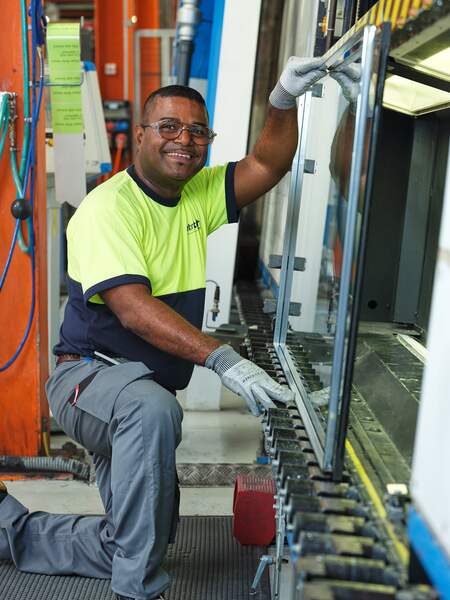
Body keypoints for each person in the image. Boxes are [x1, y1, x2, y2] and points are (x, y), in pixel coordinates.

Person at [0, 56, 326, 600]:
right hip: (88, 381)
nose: (184, 140)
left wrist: (283, 99)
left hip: (139, 388)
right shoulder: (108, 209)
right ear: (141, 135)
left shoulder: (197, 194)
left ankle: (9, 530)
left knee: (139, 538)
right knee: (153, 414)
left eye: (197, 131)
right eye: (169, 126)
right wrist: (222, 358)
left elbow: (268, 163)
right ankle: (138, 590)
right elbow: (132, 308)